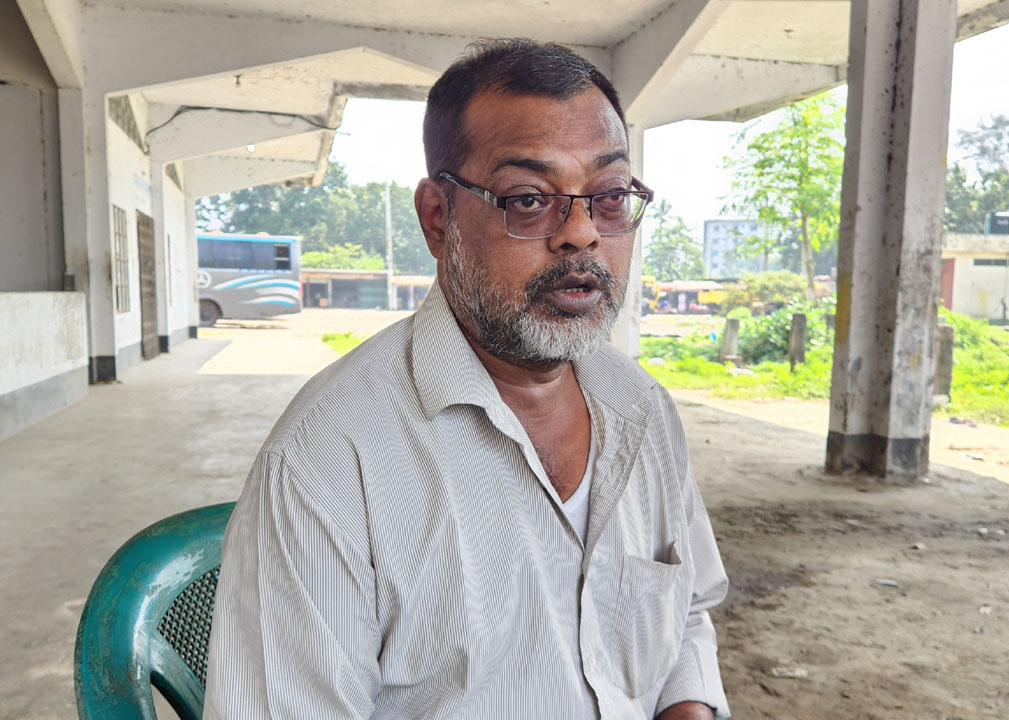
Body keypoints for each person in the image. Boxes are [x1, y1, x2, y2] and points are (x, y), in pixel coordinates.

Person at [205, 38, 731, 720]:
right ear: (437, 217)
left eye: (608, 196)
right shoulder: (327, 460)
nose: (581, 233)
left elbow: (686, 616)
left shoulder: (643, 408)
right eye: (528, 199)